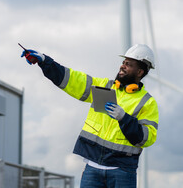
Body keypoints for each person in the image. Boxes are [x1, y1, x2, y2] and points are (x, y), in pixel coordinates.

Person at [21, 44, 159, 188]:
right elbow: (73, 80)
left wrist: (124, 119)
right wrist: (44, 61)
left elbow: (147, 138)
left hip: (123, 171)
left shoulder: (147, 102)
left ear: (140, 72)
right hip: (92, 169)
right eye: (123, 62)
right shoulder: (103, 85)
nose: (123, 66)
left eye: (129, 64)